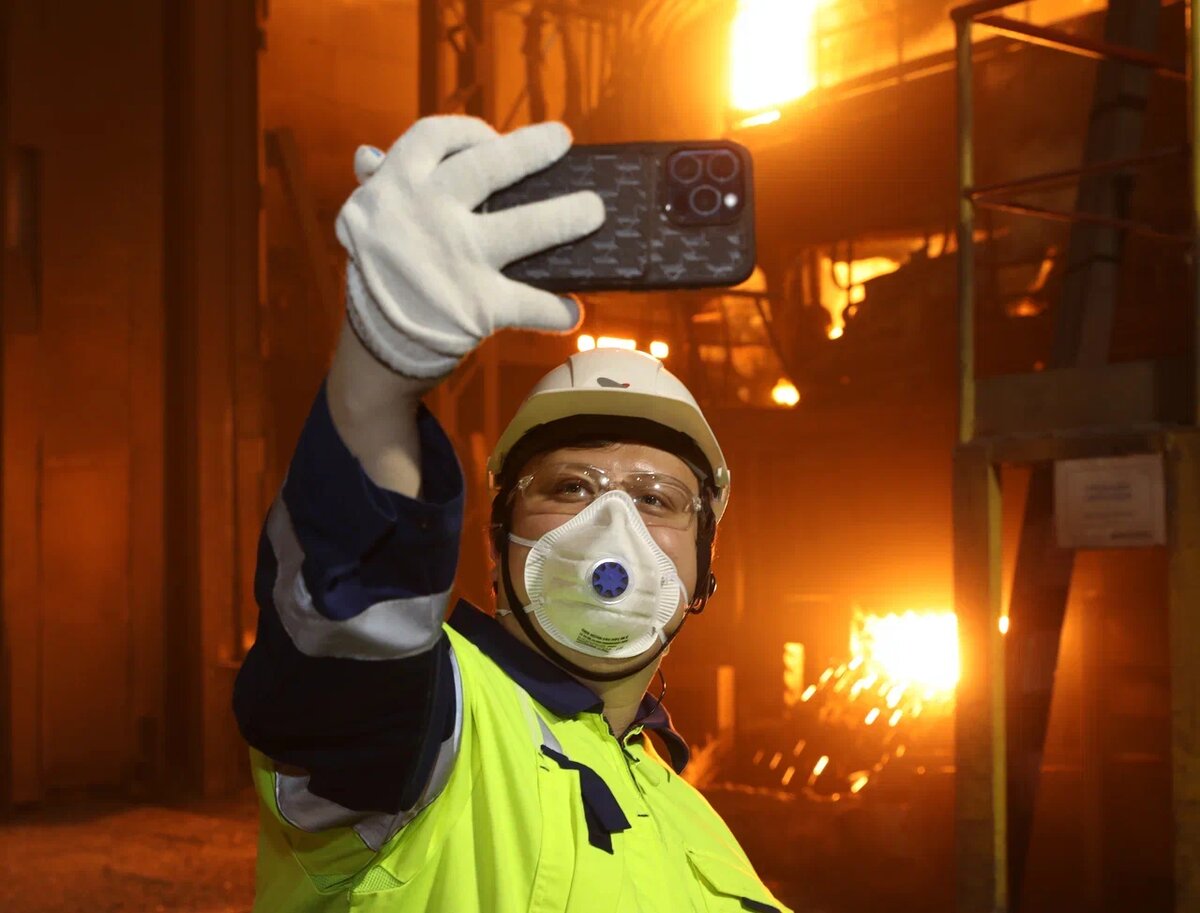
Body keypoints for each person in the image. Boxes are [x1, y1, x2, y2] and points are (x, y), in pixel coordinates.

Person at [234, 115, 790, 913]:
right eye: (569, 487)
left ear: (706, 561)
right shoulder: (430, 732)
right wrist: (378, 372)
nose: (612, 522)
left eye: (658, 498)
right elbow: (348, 617)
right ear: (496, 546)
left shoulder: (697, 823)